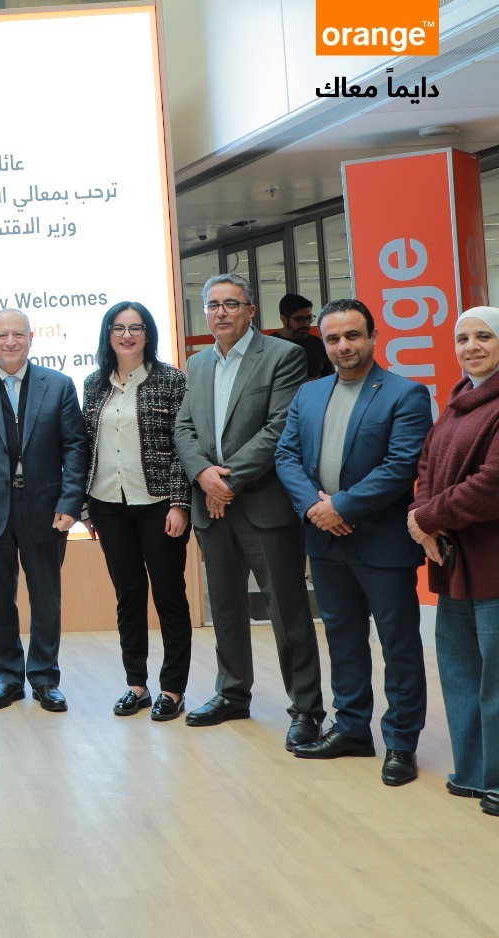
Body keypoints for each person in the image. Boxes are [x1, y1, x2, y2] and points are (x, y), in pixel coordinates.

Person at [274, 299, 430, 786]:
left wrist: (340, 506)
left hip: (381, 543)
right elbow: (286, 456)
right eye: (333, 338)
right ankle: (352, 729)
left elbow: (401, 466)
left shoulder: (405, 393)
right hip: (326, 541)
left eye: (353, 335)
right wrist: (315, 508)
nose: (343, 346)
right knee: (343, 640)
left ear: (373, 336)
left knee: (398, 646)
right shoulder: (309, 393)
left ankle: (401, 742)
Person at [173, 272, 324, 750]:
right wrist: (203, 476)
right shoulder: (197, 363)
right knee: (225, 606)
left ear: (251, 310)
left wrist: (226, 481)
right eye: (213, 305)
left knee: (287, 609)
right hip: (211, 504)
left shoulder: (282, 356)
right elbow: (183, 429)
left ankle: (306, 708)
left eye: (231, 304)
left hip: (262, 504)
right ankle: (232, 693)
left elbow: (279, 429)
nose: (220, 312)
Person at [0, 309, 86, 712]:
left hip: (45, 508)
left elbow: (75, 448)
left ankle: (44, 678)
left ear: (31, 338)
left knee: (46, 599)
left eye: (18, 334)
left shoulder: (58, 384)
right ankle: (7, 678)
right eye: (2, 335)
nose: (10, 342)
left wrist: (70, 503)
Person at [80, 302, 193, 721]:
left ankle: (172, 689)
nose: (126, 336)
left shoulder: (171, 380)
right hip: (108, 505)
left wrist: (180, 503)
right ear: (107, 334)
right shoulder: (94, 383)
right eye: (118, 328)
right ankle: (136, 686)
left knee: (169, 595)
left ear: (148, 334)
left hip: (159, 505)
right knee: (128, 596)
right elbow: (84, 446)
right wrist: (85, 508)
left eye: (135, 328)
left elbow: (184, 446)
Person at [408, 306, 499, 812]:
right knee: (461, 670)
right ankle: (474, 771)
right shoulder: (459, 399)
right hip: (454, 559)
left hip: (493, 563)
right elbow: (427, 463)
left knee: (496, 677)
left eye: (484, 336)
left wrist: (427, 517)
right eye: (463, 339)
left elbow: (491, 485)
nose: (472, 347)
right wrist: (423, 518)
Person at [277, 293, 333, 381]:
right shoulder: (269, 346)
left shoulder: (317, 343)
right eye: (299, 319)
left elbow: (329, 375)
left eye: (309, 318)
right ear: (283, 319)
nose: (306, 323)